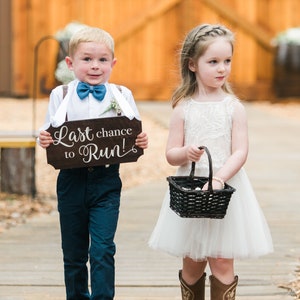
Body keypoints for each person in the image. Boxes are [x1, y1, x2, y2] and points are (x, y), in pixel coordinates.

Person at [148, 24, 273, 300]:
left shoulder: (233, 107)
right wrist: (186, 153)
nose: (222, 69)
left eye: (227, 61)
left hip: (225, 190)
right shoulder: (183, 108)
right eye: (213, 62)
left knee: (221, 259)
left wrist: (219, 178)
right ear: (192, 64)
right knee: (192, 262)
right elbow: (171, 154)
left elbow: (240, 151)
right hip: (191, 191)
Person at [38, 26, 148, 300]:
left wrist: (141, 140)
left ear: (112, 63)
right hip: (71, 181)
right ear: (70, 63)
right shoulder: (60, 95)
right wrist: (43, 138)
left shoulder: (122, 95)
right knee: (73, 251)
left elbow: (131, 132)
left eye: (102, 60)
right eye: (87, 59)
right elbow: (49, 131)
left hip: (107, 182)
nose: (95, 66)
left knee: (102, 248)